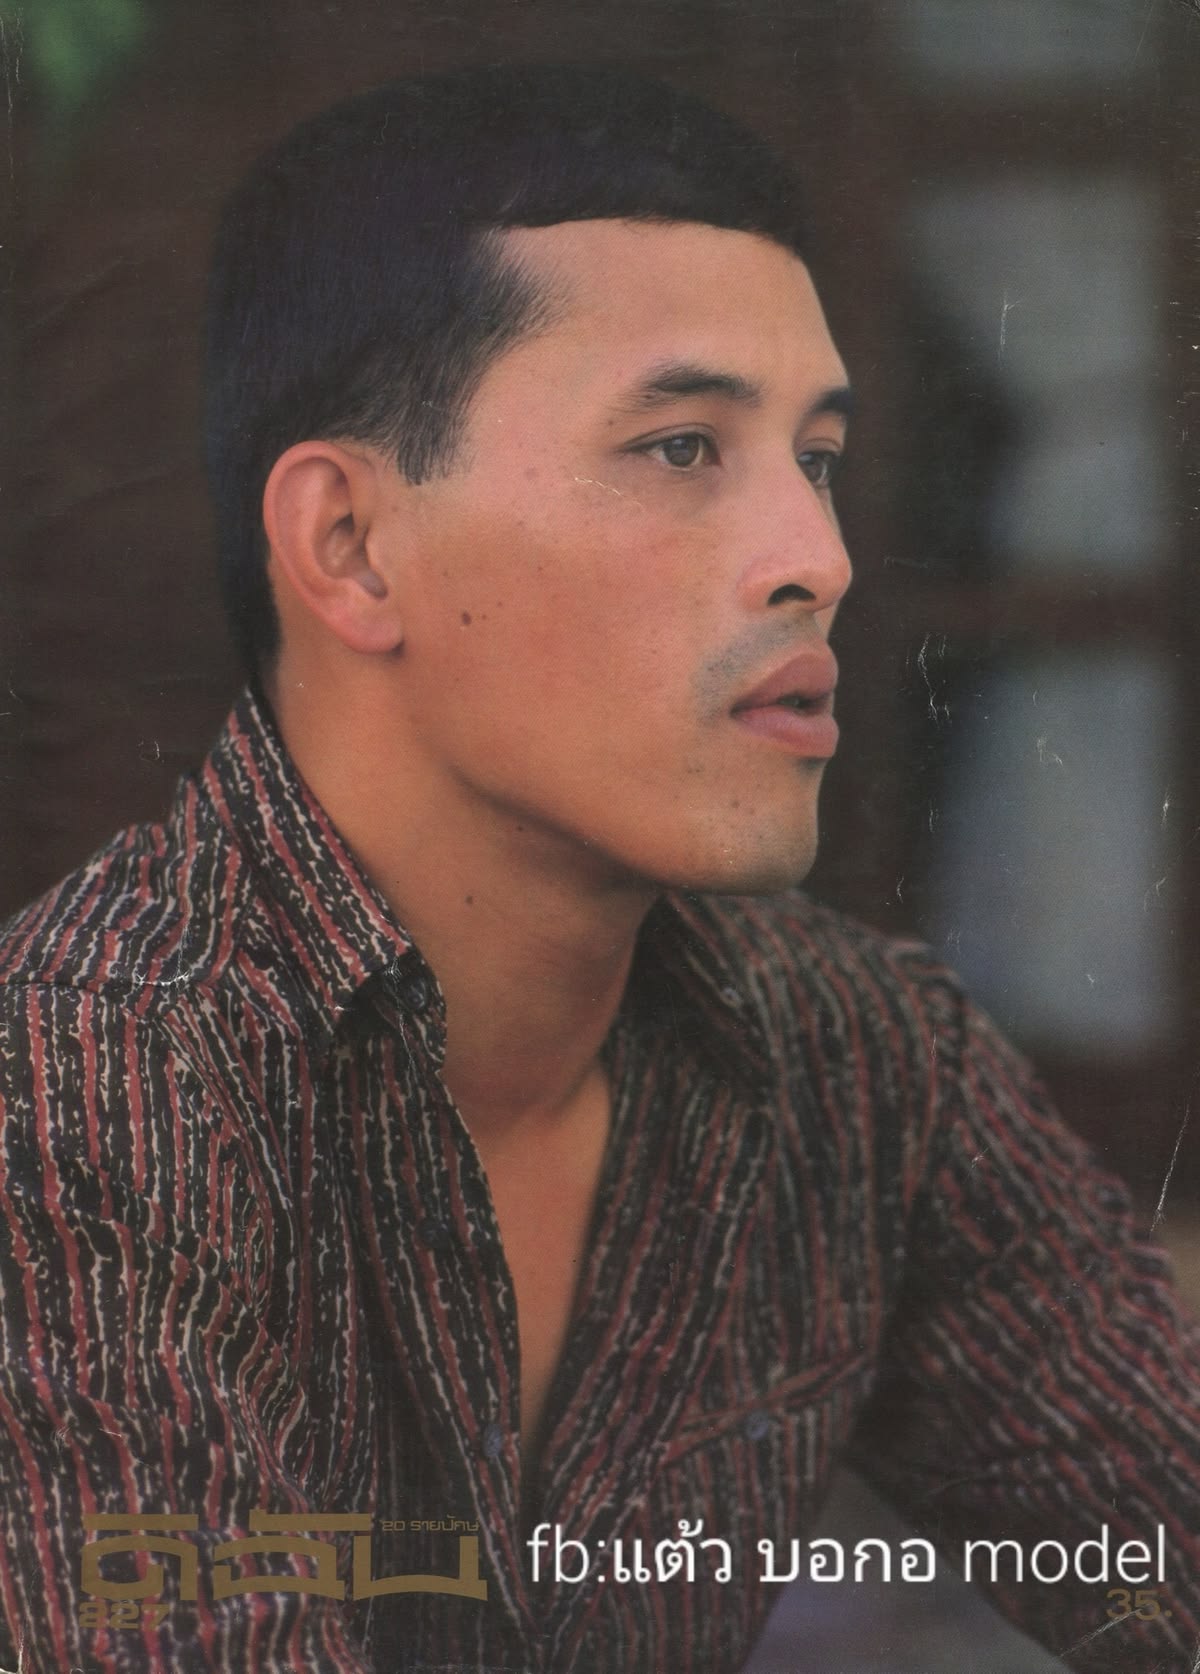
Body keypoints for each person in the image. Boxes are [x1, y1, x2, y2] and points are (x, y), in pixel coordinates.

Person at [0, 63, 1196, 1674]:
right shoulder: (75, 1087)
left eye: (817, 456)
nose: (820, 557)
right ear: (349, 545)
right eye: (682, 446)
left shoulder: (857, 1052)